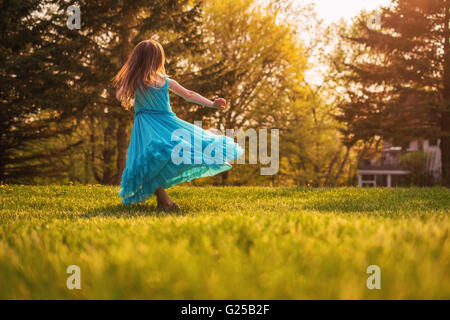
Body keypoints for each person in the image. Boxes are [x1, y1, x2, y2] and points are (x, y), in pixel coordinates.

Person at [113, 40, 243, 211]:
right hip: (167, 123)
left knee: (148, 161)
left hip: (145, 125)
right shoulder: (164, 81)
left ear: (137, 59)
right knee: (162, 157)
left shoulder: (134, 79)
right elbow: (189, 95)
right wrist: (212, 104)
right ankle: (165, 201)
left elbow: (121, 95)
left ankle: (165, 202)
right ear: (159, 60)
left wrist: (131, 89)